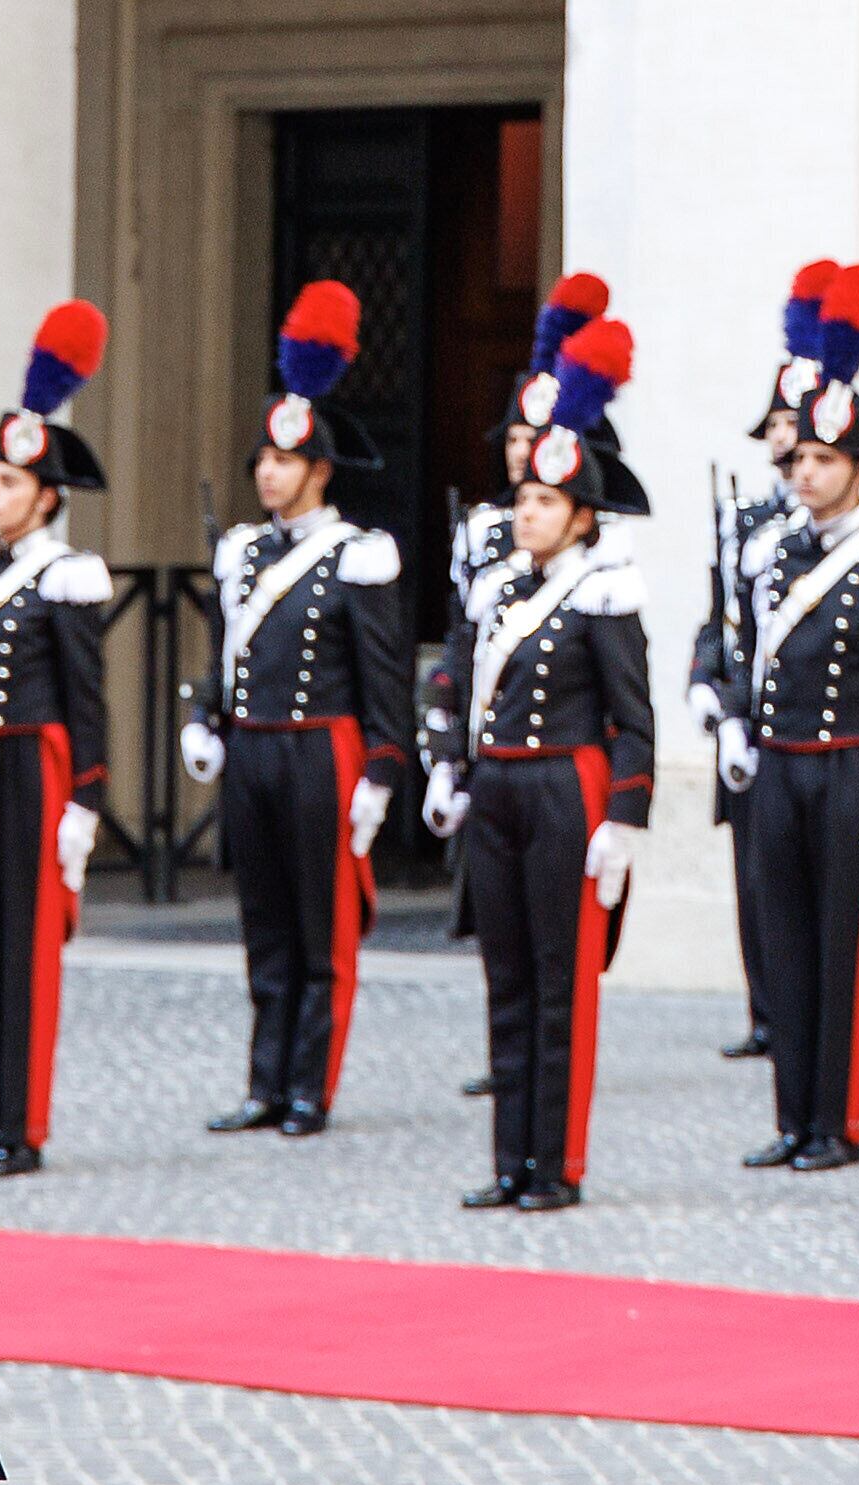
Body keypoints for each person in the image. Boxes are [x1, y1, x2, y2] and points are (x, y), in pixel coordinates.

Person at [715, 264, 859, 1172]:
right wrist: (735, 719)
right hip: (781, 766)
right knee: (786, 941)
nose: (803, 473)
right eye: (798, 458)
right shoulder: (771, 555)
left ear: (858, 469)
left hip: (855, 770)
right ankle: (792, 1115)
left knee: (844, 954)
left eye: (821, 461)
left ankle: (839, 1121)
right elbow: (746, 655)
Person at [425, 317, 652, 1211]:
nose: (527, 512)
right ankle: (508, 1159)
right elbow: (464, 686)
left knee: (562, 987)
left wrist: (625, 821)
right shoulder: (496, 589)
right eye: (523, 498)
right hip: (500, 788)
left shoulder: (602, 593)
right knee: (508, 980)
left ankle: (554, 1162)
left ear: (583, 515)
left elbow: (634, 719)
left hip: (565, 789)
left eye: (547, 502)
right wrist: (451, 765)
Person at [180, 279, 409, 1138]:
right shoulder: (241, 553)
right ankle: (265, 1080)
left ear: (318, 470)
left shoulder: (358, 556)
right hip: (256, 751)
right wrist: (207, 716)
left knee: (323, 930)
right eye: (262, 462)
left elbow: (382, 678)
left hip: (324, 751)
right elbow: (225, 652)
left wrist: (382, 773)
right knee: (266, 924)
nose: (267, 473)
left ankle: (311, 1083)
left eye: (282, 462)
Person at [0, 299, 112, 1178]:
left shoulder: (67, 576)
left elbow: (88, 698)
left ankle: (23, 1128)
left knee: (26, 949)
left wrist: (85, 799)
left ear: (45, 495)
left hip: (36, 768)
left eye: (6, 484)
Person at [428, 272, 612, 1097]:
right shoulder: (484, 538)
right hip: (495, 758)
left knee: (552, 948)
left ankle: (546, 1089)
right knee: (498, 937)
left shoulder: (591, 565)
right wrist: (446, 751)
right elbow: (464, 646)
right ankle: (511, 1073)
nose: (515, 452)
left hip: (557, 766)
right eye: (511, 442)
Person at [691, 260, 836, 1063]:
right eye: (778, 428)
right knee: (752, 876)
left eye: (796, 427)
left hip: (801, 715)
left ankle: (799, 1014)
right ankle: (764, 1009)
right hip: (746, 716)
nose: (785, 439)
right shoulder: (743, 518)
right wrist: (707, 687)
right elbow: (718, 614)